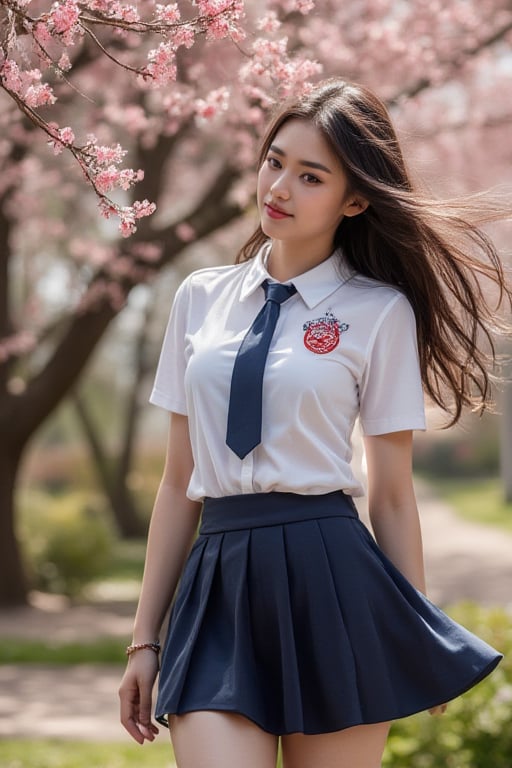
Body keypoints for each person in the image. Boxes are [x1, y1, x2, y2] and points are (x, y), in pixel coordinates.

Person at [119, 79, 508, 768]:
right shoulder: (200, 297)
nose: (279, 187)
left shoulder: (380, 311)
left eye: (310, 176)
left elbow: (391, 493)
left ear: (354, 200)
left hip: (333, 579)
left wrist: (414, 632)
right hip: (217, 581)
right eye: (274, 161)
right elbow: (179, 483)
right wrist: (144, 640)